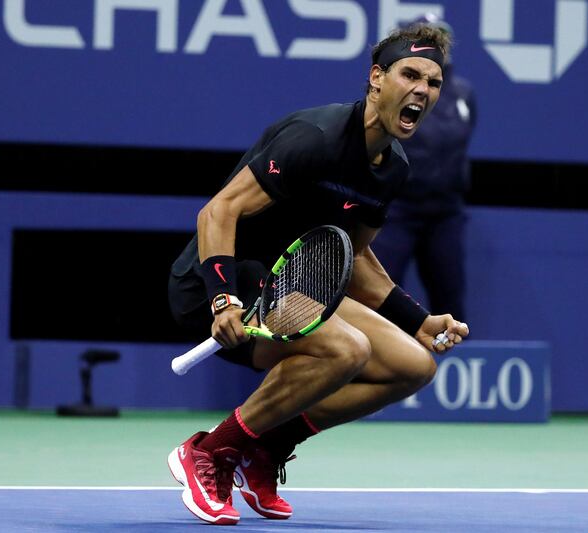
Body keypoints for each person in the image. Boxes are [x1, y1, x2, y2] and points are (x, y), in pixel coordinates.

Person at [167, 23, 469, 526]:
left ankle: (266, 448)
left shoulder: (392, 168)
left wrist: (418, 321)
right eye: (410, 74)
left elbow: (353, 262)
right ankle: (210, 453)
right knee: (346, 348)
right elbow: (217, 213)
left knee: (413, 365)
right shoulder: (315, 137)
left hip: (292, 287)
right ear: (376, 79)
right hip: (221, 281)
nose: (422, 90)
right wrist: (222, 298)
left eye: (433, 83)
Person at [372, 14, 476, 321]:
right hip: (397, 211)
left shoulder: (464, 93)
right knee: (383, 295)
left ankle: (448, 362)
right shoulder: (396, 89)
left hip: (445, 214)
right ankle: (381, 364)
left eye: (440, 39)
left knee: (450, 300)